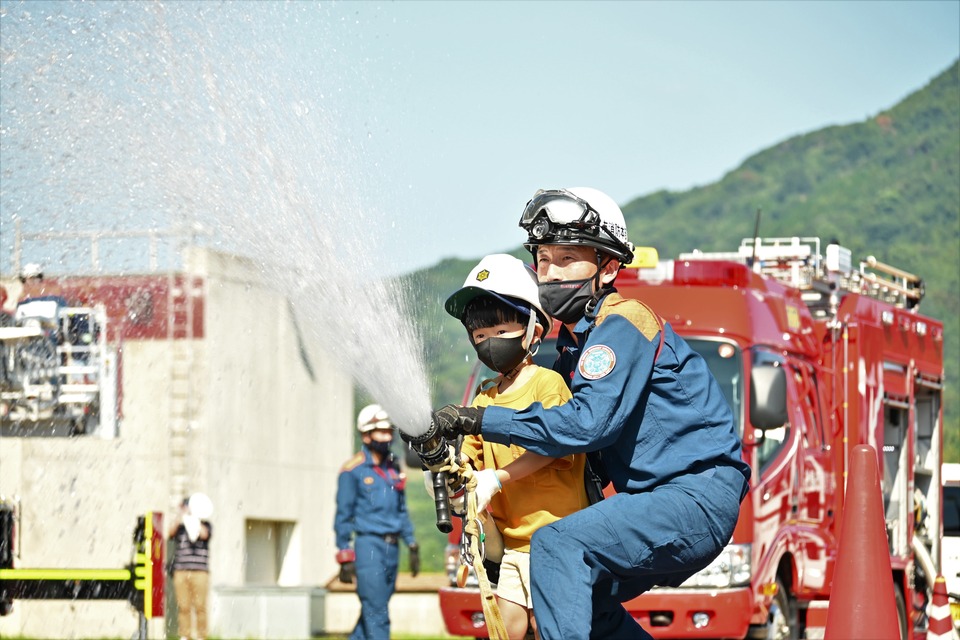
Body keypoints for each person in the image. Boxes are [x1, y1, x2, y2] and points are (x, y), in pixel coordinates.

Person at [431, 187, 752, 639]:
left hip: (694, 496)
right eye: (542, 260)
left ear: (609, 266)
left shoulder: (622, 323)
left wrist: (476, 420)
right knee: (582, 595)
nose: (551, 272)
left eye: (566, 259)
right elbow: (549, 434)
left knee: (559, 544)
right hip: (655, 500)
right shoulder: (572, 350)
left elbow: (585, 425)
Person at [441, 253, 589, 640]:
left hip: (556, 540)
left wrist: (499, 477)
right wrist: (453, 478)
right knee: (505, 629)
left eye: (501, 330)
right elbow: (468, 462)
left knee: (549, 628)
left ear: (534, 330)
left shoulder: (548, 385)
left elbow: (557, 446)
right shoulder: (484, 398)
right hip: (512, 548)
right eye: (480, 336)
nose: (490, 343)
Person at [334, 404, 420, 640]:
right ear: (366, 434)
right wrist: (344, 553)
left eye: (388, 431)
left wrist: (411, 543)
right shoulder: (352, 471)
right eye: (380, 431)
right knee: (377, 613)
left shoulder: (393, 469)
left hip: (392, 549)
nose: (387, 436)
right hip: (368, 547)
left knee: (372, 613)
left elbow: (401, 510)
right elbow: (343, 515)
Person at [168, 495, 212, 640]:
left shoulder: (206, 525)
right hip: (181, 571)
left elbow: (204, 535)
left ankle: (201, 636)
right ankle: (185, 635)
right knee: (183, 606)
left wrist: (194, 518)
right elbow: (170, 532)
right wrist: (181, 516)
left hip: (200, 572)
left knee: (200, 606)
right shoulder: (180, 527)